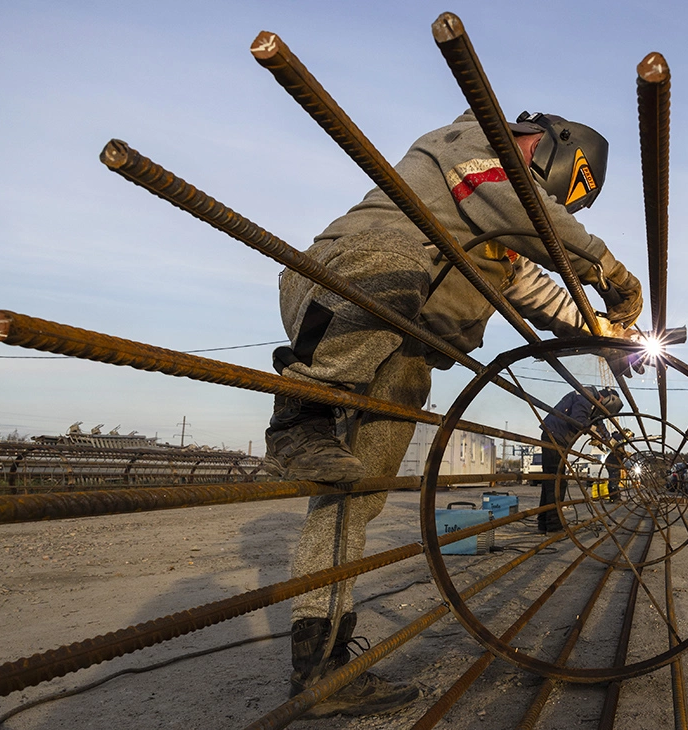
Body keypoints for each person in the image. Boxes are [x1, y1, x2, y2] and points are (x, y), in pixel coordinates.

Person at [264, 110, 642, 717]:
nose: (552, 200)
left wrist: (609, 335)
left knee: (353, 493)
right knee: (393, 258)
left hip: (401, 345)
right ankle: (297, 415)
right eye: (560, 193)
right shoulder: (471, 144)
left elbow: (546, 297)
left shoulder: (504, 242)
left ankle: (319, 666)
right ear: (552, 148)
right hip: (341, 292)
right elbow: (530, 211)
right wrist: (607, 268)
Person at [539, 386, 624, 531]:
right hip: (554, 435)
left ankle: (544, 522)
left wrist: (610, 441)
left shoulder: (592, 401)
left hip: (558, 437)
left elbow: (599, 423)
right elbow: (578, 419)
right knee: (557, 481)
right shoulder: (586, 396)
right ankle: (553, 525)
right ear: (606, 401)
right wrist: (593, 431)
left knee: (551, 480)